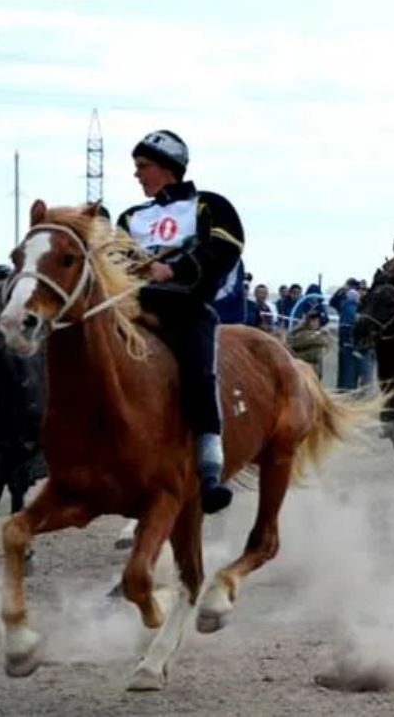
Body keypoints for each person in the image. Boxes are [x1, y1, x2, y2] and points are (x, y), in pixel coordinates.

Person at [116, 130, 244, 515]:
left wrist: (172, 270)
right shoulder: (129, 218)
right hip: (130, 309)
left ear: (167, 168)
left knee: (197, 373)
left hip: (185, 308)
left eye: (143, 167)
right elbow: (112, 258)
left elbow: (225, 248)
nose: (137, 175)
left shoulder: (209, 205)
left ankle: (209, 466)